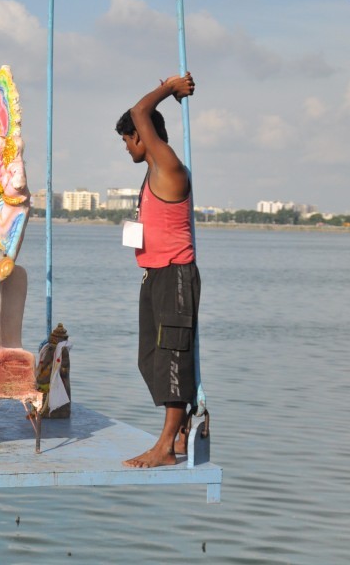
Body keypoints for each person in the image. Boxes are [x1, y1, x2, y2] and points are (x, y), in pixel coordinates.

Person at [115, 72, 200, 469]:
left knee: (171, 357)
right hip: (154, 275)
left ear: (141, 138)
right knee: (149, 358)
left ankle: (166, 445)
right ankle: (180, 428)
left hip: (175, 275)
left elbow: (139, 110)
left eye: (126, 140)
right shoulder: (150, 177)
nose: (126, 148)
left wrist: (171, 87)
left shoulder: (167, 164)